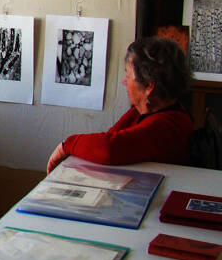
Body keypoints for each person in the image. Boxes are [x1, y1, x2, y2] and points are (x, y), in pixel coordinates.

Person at [47, 36, 193, 173]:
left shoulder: (168, 127)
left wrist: (67, 145)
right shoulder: (145, 112)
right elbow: (111, 136)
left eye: (128, 75)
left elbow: (109, 149)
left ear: (148, 86)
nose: (124, 82)